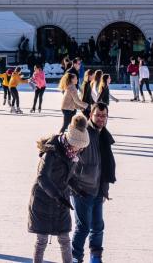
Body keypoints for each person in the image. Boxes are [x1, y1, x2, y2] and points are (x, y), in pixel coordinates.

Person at [28, 112, 91, 263]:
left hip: (61, 199)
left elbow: (68, 177)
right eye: (77, 147)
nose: (78, 150)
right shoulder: (52, 151)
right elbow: (42, 177)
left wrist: (79, 190)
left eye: (81, 148)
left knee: (64, 238)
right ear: (69, 141)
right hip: (43, 199)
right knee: (42, 239)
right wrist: (58, 196)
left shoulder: (72, 154)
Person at [70, 103, 116, 263]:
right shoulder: (83, 133)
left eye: (104, 116)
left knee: (97, 227)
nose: (101, 119)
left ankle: (96, 258)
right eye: (98, 115)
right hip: (81, 189)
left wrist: (104, 189)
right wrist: (74, 187)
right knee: (82, 227)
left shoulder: (103, 134)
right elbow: (69, 160)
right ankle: (75, 258)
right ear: (91, 116)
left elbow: (104, 165)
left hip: (98, 188)